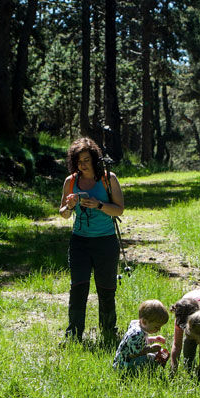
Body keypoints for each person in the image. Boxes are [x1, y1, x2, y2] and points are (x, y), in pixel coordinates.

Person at [59, 137, 125, 342]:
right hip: (79, 242)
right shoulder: (71, 182)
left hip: (105, 241)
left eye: (86, 160)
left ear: (94, 159)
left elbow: (119, 209)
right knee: (78, 287)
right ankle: (74, 334)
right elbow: (62, 213)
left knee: (106, 288)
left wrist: (98, 204)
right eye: (79, 161)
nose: (83, 165)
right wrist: (70, 206)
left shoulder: (108, 179)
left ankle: (108, 331)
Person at [113, 299, 168, 372]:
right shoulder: (136, 333)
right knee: (152, 357)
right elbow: (135, 354)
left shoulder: (138, 325)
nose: (159, 330)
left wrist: (153, 339)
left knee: (158, 352)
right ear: (144, 321)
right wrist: (151, 349)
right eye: (156, 327)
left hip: (125, 361)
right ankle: (147, 370)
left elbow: (140, 342)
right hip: (124, 365)